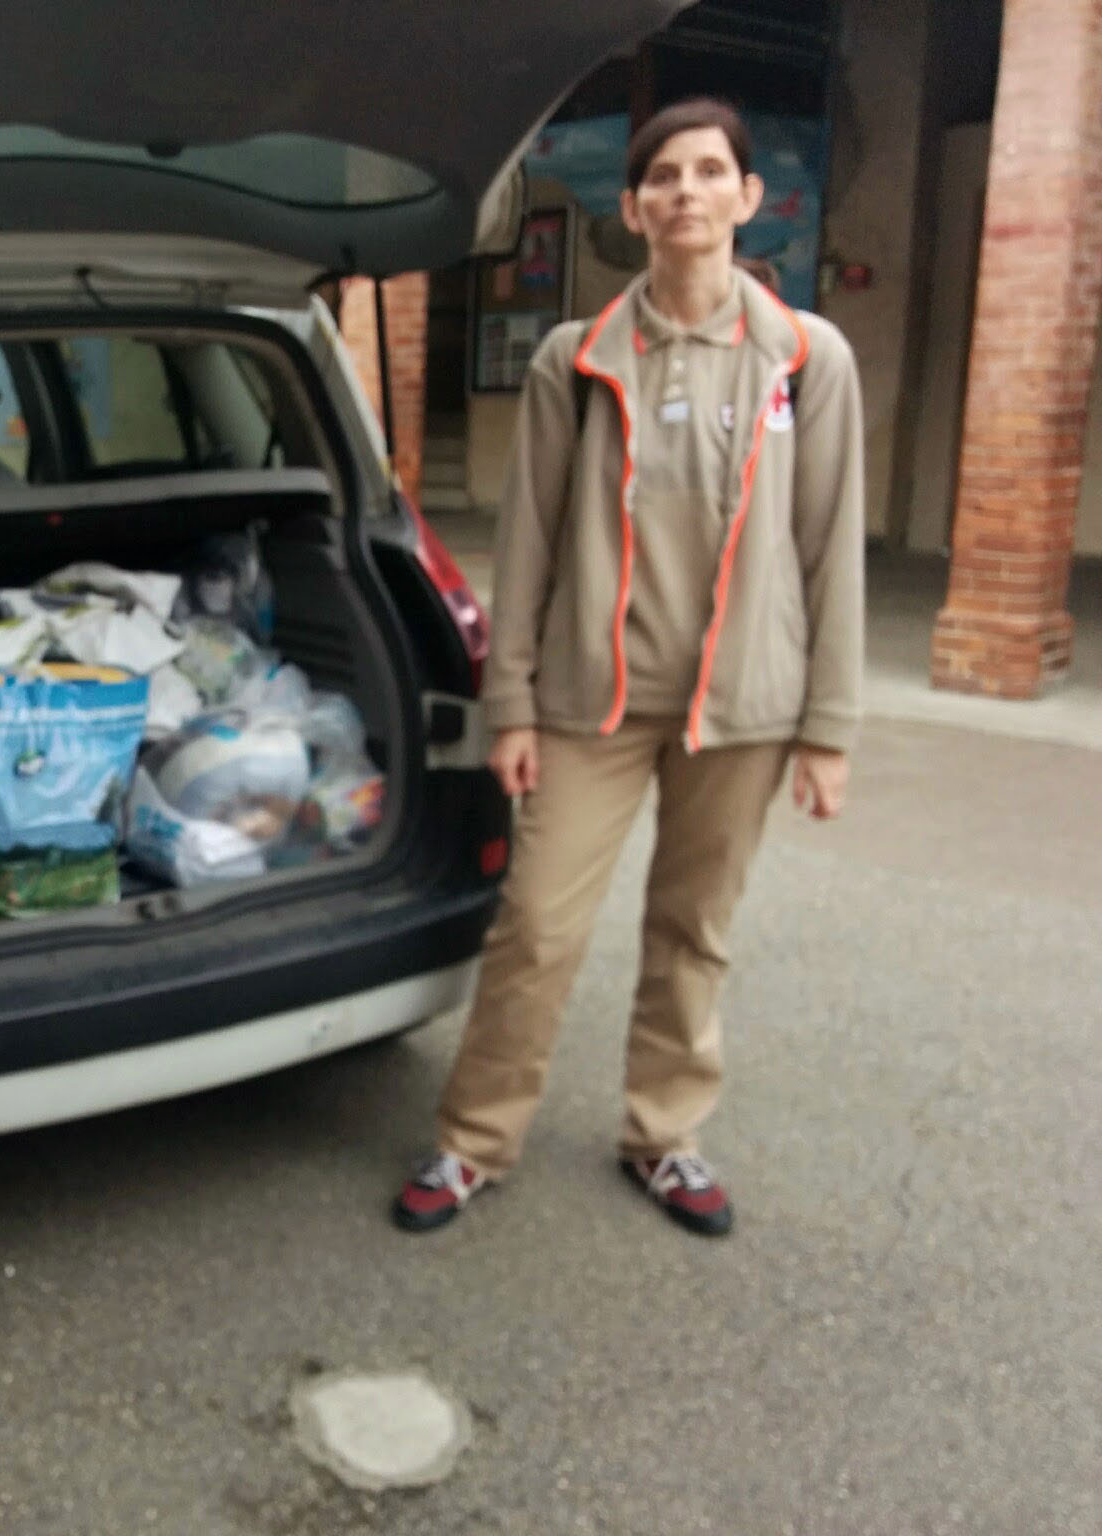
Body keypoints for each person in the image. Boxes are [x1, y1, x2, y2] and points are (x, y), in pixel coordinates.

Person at [393, 99, 864, 1238]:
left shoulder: (807, 357)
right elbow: (532, 542)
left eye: (709, 173)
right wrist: (507, 703)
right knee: (538, 930)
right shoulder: (575, 358)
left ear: (745, 200)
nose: (685, 192)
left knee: (692, 930)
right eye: (663, 175)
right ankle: (474, 1140)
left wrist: (827, 728)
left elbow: (828, 546)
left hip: (740, 709)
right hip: (585, 707)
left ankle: (662, 1137)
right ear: (632, 206)